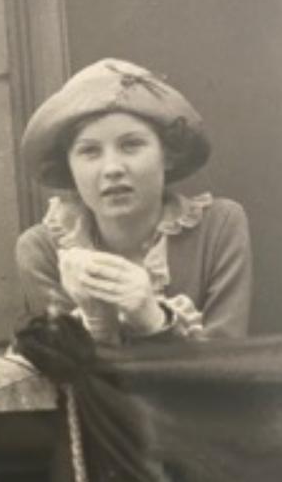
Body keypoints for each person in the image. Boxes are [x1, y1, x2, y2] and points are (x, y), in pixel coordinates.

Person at [16, 57, 252, 345]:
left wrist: (154, 321)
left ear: (167, 155)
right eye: (89, 151)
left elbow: (228, 370)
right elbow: (67, 377)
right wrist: (97, 323)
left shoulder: (220, 226)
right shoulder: (42, 250)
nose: (112, 168)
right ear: (69, 166)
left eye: (131, 145)